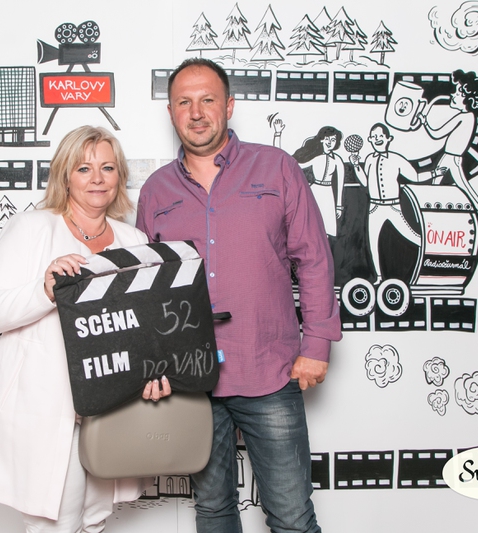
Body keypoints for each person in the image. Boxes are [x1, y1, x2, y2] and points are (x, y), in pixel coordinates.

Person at [136, 58, 341, 533]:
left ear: (228, 106)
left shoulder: (277, 167)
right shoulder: (156, 190)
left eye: (208, 100)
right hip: (191, 381)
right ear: (170, 112)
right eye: (184, 102)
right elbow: (147, 288)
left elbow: (314, 258)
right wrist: (151, 364)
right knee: (213, 510)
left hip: (268, 368)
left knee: (292, 516)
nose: (196, 112)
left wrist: (316, 344)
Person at [0, 126, 171, 533]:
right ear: (65, 176)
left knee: (95, 520)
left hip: (112, 407)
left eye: (107, 167)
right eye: (84, 168)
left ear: (120, 176)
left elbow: (145, 328)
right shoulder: (32, 228)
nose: (97, 178)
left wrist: (155, 371)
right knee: (53, 523)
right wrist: (45, 291)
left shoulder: (134, 240)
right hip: (46, 405)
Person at [350, 123, 442, 284]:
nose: (377, 139)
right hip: (375, 208)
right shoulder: (369, 159)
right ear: (370, 140)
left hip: (393, 207)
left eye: (381, 136)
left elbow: (415, 177)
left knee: (412, 236)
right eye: (374, 137)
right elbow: (366, 183)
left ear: (388, 139)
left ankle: (433, 258)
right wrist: (357, 165)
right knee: (373, 243)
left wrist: (434, 173)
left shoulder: (396, 159)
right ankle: (379, 277)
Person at [419, 69, 478, 225]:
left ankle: (435, 216)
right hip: (450, 157)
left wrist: (424, 121)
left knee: (453, 186)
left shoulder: (463, 117)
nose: (453, 95)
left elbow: (437, 133)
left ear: (466, 98)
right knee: (442, 185)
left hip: (452, 158)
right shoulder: (470, 117)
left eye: (458, 92)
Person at [292, 125, 346, 238]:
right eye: (327, 139)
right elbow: (295, 165)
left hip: (328, 194)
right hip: (314, 191)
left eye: (333, 139)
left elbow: (340, 183)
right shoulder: (315, 157)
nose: (330, 142)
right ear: (321, 139)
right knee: (310, 226)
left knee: (326, 229)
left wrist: (339, 206)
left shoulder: (338, 160)